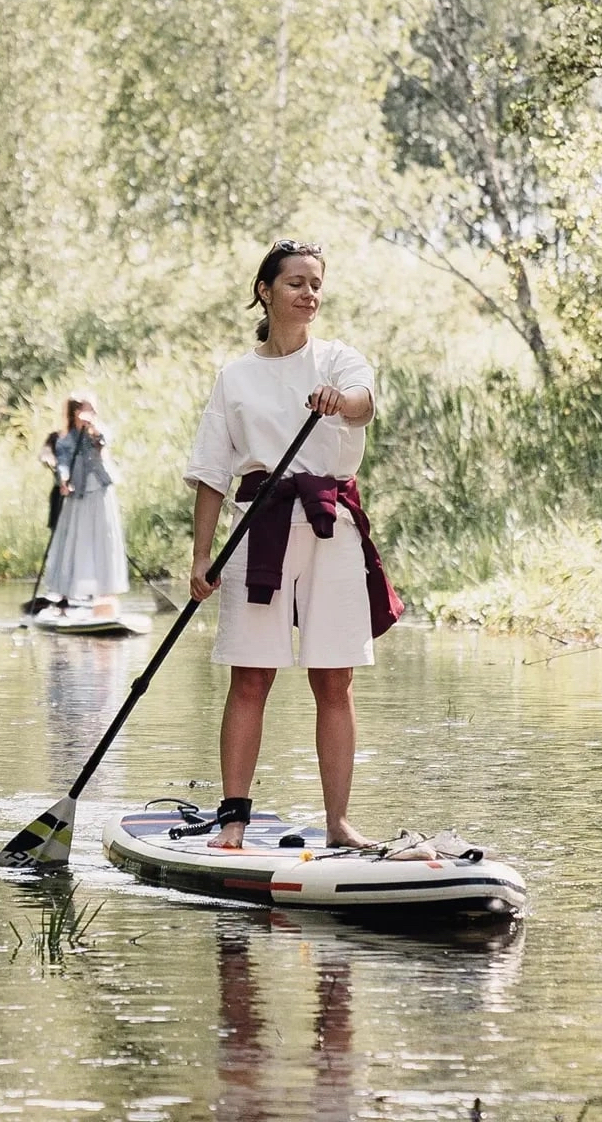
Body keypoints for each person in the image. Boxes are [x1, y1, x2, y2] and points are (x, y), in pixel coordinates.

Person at [184, 239, 402, 850]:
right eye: (295, 283)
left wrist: (342, 401)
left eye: (315, 284)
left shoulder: (339, 360)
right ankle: (234, 818)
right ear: (265, 290)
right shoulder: (235, 377)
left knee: (334, 681)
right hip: (260, 531)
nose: (309, 294)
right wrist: (201, 557)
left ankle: (338, 824)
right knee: (250, 678)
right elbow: (210, 473)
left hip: (331, 530)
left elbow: (362, 406)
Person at [41, 394, 129, 617]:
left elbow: (104, 441)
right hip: (78, 494)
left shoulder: (98, 433)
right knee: (76, 541)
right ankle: (68, 594)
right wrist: (63, 481)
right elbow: (62, 464)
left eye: (93, 410)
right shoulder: (66, 440)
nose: (91, 414)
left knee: (104, 540)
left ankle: (105, 594)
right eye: (85, 411)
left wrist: (93, 428)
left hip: (100, 492)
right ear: (74, 413)